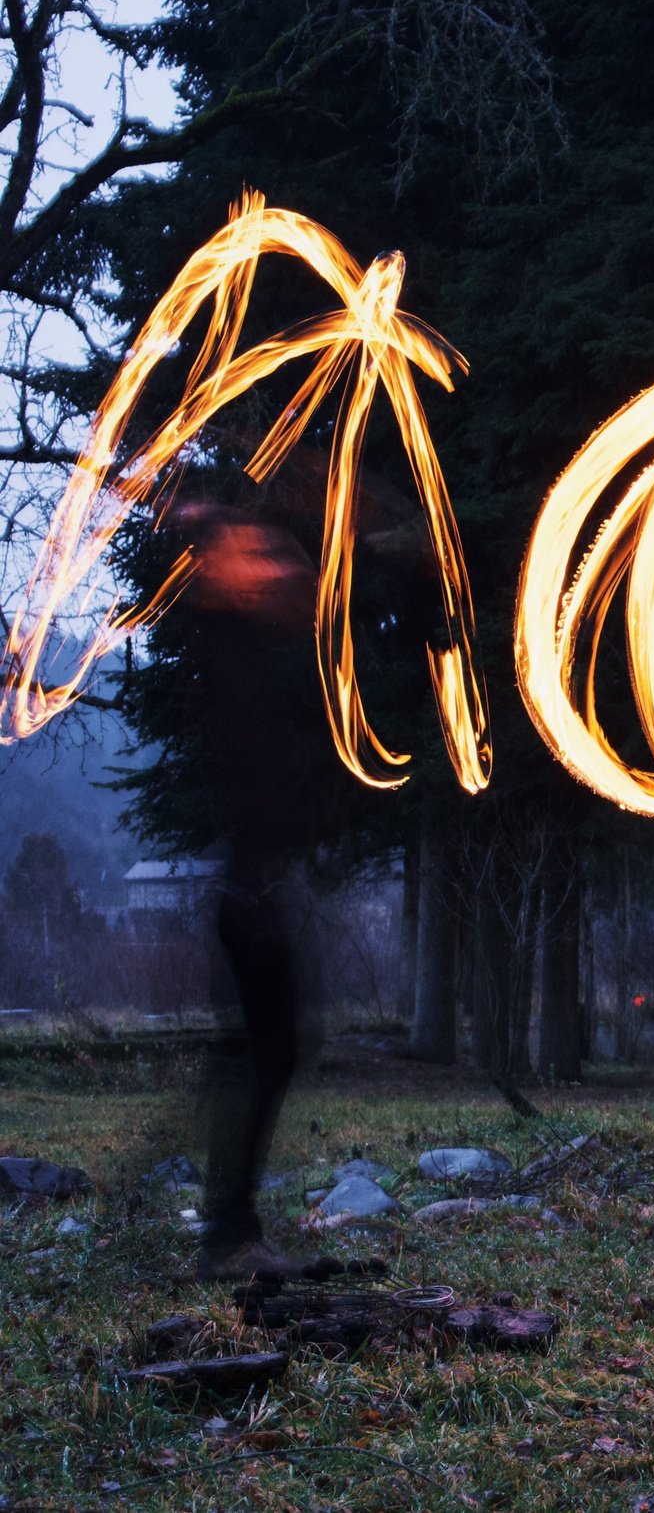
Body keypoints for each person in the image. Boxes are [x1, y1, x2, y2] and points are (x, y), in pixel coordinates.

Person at [186, 508, 327, 1282]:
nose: (270, 569)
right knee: (261, 1054)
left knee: (266, 1053)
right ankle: (227, 1234)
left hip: (257, 882)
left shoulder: (255, 647)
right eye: (252, 558)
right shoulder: (226, 644)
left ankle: (231, 1228)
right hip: (248, 889)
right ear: (215, 570)